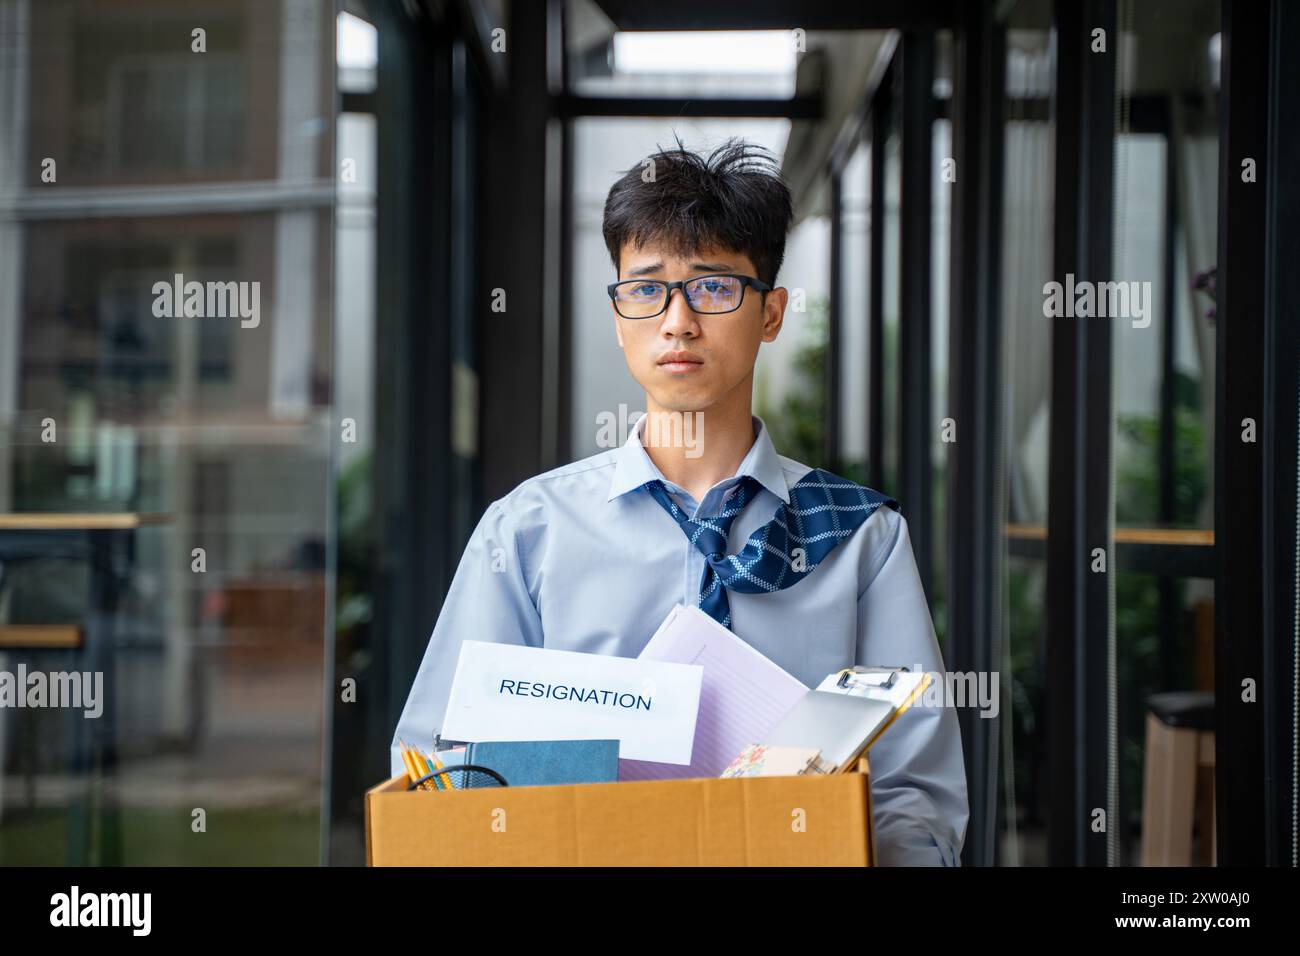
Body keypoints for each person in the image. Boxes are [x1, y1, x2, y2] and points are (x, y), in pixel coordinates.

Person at [392, 138, 969, 865]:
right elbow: (436, 765)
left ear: (771, 313)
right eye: (645, 288)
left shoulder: (862, 539)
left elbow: (913, 792)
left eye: (713, 286)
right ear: (618, 314)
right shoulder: (528, 532)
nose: (677, 321)